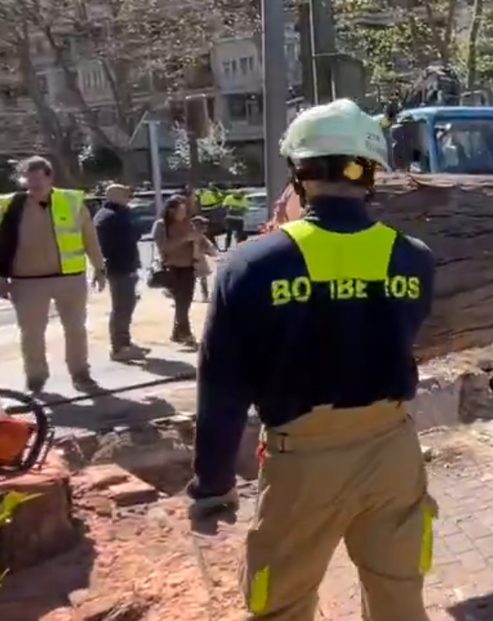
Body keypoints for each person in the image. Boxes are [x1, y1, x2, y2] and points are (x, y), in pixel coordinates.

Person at [188, 99, 437, 621]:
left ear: (298, 175)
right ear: (370, 172)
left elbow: (221, 390)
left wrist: (212, 483)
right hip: (393, 450)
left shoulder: (249, 265)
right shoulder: (414, 257)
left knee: (280, 603)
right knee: (399, 594)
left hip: (302, 462)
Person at [0, 157, 106, 393]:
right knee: (31, 333)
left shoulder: (72, 201)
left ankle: (80, 373)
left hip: (70, 278)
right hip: (27, 282)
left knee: (76, 328)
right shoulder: (11, 206)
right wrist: (0, 278)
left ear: (49, 177)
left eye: (37, 180)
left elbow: (89, 238)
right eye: (28, 180)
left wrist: (99, 267)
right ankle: (36, 377)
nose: (32, 185)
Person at [92, 183, 149, 362]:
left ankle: (125, 341)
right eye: (125, 194)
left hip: (126, 265)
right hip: (119, 267)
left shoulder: (119, 213)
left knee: (128, 305)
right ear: (115, 196)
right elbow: (110, 245)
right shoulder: (108, 217)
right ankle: (119, 348)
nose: (128, 196)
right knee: (122, 307)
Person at [152, 195, 200, 347]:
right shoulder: (161, 225)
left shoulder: (188, 224)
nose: (183, 214)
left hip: (189, 267)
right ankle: (185, 334)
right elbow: (164, 247)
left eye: (185, 210)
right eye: (180, 210)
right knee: (182, 303)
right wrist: (185, 238)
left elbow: (199, 241)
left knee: (184, 303)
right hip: (172, 268)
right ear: (171, 210)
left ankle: (176, 333)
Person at [192, 215, 218, 301]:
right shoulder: (196, 236)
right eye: (203, 225)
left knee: (199, 278)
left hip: (197, 260)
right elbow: (209, 247)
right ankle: (204, 296)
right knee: (197, 278)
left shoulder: (199, 236)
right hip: (195, 260)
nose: (205, 227)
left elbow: (208, 246)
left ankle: (204, 296)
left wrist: (212, 252)